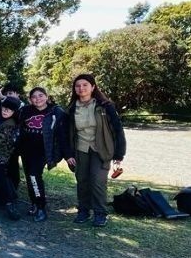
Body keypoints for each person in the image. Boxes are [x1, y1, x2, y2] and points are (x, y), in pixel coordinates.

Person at [65, 74, 126, 227]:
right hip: (81, 149)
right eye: (78, 85)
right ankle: (83, 211)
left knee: (98, 181)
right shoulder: (72, 108)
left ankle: (100, 213)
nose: (81, 88)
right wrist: (68, 154)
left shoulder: (105, 106)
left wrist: (119, 155)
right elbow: (66, 133)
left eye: (85, 85)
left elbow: (118, 130)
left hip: (101, 149)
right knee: (82, 181)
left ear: (93, 87)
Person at [18, 87, 70, 222]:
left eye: (41, 95)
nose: (38, 99)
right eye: (34, 97)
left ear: (47, 97)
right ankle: (34, 203)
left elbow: (62, 135)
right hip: (26, 150)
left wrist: (67, 154)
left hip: (43, 151)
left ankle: (41, 208)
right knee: (30, 178)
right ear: (30, 99)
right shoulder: (25, 110)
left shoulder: (56, 112)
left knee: (35, 176)